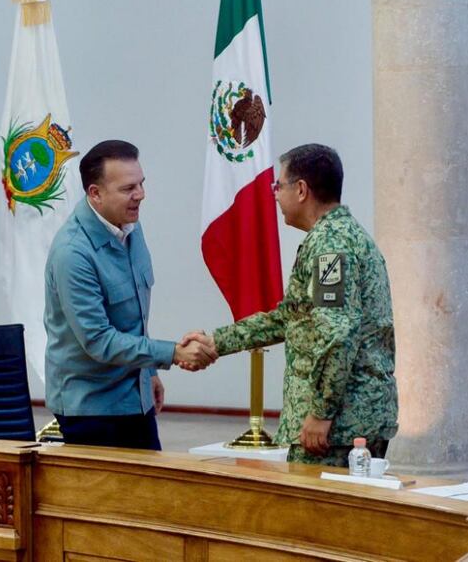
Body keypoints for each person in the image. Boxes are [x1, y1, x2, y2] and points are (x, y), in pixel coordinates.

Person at [191, 144, 397, 465]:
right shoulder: (336, 236)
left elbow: (338, 334)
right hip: (346, 423)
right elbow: (289, 318)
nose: (274, 195)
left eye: (278, 185)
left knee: (316, 515)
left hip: (338, 429)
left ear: (301, 190)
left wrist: (321, 412)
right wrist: (217, 342)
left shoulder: (331, 244)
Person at [44, 140, 217, 449]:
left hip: (134, 397)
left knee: (151, 494)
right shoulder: (73, 253)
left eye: (141, 184)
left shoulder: (129, 226)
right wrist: (173, 353)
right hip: (92, 409)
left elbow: (133, 314)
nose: (140, 195)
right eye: (128, 188)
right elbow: (98, 340)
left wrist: (147, 371)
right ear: (95, 194)